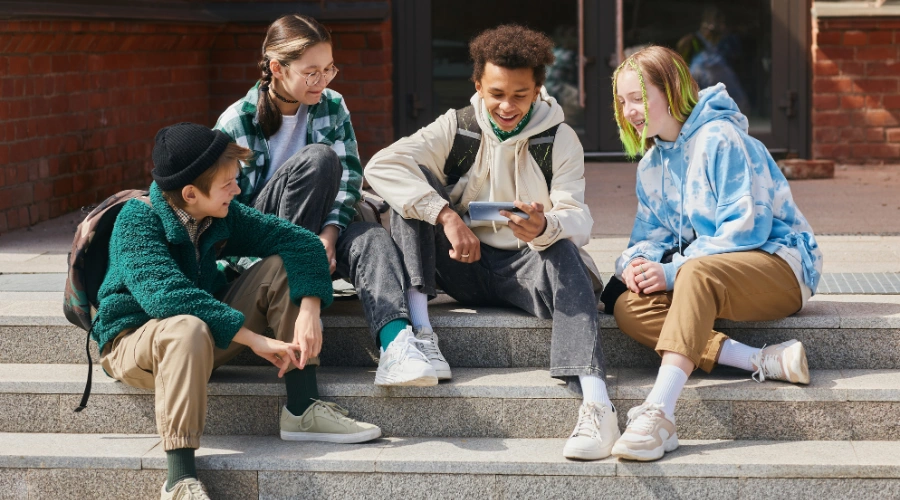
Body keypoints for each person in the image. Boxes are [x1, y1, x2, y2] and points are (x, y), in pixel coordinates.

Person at [365, 24, 617, 461]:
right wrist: (445, 215)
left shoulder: (560, 139)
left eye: (520, 95)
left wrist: (545, 227)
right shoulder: (457, 125)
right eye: (496, 93)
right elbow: (381, 166)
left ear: (539, 89)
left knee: (563, 249)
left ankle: (597, 402)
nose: (506, 106)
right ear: (478, 85)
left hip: (527, 266)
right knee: (413, 192)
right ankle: (422, 333)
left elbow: (579, 217)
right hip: (462, 261)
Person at [93, 123, 381, 499]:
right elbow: (168, 298)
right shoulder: (137, 220)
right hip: (136, 345)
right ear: (191, 193)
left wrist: (310, 308)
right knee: (185, 326)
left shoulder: (218, 213)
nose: (238, 189)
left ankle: (302, 408)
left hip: (202, 336)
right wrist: (254, 340)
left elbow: (301, 243)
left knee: (282, 265)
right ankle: (179, 479)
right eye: (228, 183)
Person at [609, 46, 823, 462]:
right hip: (708, 274)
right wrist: (635, 264)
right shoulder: (651, 164)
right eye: (621, 101)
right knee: (625, 306)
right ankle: (759, 359)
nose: (629, 110)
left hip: (779, 266)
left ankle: (659, 412)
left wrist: (670, 272)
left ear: (671, 91)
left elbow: (746, 228)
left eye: (638, 97)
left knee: (693, 273)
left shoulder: (720, 138)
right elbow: (648, 236)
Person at [215, 14, 447, 387]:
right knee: (320, 159)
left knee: (373, 238)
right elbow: (227, 212)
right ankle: (301, 293)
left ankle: (396, 346)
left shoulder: (332, 105)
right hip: (264, 250)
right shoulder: (236, 123)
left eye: (329, 69)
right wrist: (301, 253)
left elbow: (350, 179)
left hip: (322, 236)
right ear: (277, 68)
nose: (322, 81)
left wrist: (329, 235)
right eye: (311, 72)